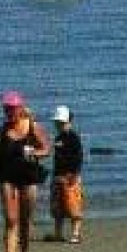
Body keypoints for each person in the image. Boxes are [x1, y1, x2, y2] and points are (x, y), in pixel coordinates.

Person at [0, 90, 49, 252]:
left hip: (28, 178)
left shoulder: (32, 127)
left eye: (11, 108)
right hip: (7, 179)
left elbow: (46, 149)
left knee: (26, 220)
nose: (8, 112)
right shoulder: (0, 132)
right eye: (5, 108)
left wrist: (34, 153)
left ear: (20, 108)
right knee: (11, 220)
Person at [47, 104, 85, 244]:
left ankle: (75, 234)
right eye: (57, 123)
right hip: (58, 176)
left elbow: (79, 157)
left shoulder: (74, 137)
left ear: (69, 121)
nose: (59, 125)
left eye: (62, 123)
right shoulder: (58, 138)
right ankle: (58, 233)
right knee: (57, 208)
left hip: (70, 177)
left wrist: (74, 174)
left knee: (74, 206)